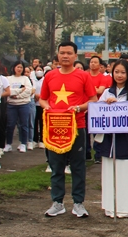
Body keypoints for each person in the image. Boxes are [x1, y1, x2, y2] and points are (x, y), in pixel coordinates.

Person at [39, 41, 98, 218]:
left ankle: (78, 203)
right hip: (55, 129)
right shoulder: (50, 76)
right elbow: (42, 99)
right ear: (57, 55)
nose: (65, 56)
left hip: (77, 127)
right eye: (62, 52)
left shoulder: (83, 76)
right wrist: (47, 108)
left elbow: (93, 99)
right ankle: (57, 202)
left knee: (78, 166)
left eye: (69, 53)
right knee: (56, 166)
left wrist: (79, 108)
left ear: (75, 56)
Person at [94, 59, 128, 218]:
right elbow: (98, 112)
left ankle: (126, 207)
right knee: (109, 172)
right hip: (109, 139)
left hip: (126, 139)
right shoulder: (107, 92)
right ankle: (110, 206)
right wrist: (107, 105)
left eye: (123, 72)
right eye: (116, 72)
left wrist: (117, 107)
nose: (119, 75)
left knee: (125, 172)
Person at [5, 61, 33, 153]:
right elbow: (8, 90)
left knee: (24, 124)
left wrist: (17, 95)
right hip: (11, 105)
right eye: (18, 67)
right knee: (10, 125)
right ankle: (8, 144)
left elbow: (28, 91)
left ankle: (23, 143)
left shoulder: (25, 78)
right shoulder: (9, 79)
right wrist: (19, 90)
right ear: (13, 68)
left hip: (23, 104)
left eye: (21, 67)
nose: (19, 69)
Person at [86, 55, 111, 162]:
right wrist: (93, 89)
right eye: (91, 62)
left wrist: (88, 90)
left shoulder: (104, 78)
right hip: (85, 107)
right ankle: (86, 153)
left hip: (98, 109)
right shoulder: (85, 76)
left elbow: (100, 91)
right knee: (85, 132)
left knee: (98, 133)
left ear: (100, 65)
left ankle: (98, 155)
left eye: (95, 62)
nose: (93, 64)